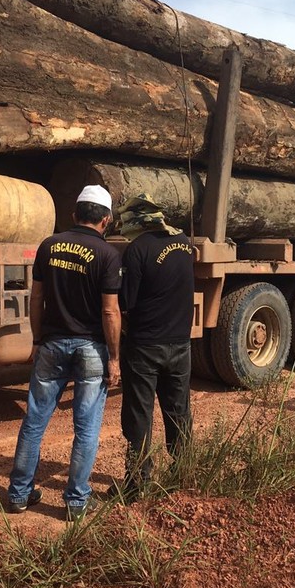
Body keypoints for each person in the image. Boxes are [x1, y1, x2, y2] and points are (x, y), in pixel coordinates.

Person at [6, 184, 122, 520]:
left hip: (52, 345)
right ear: (107, 220)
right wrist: (114, 358)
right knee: (85, 428)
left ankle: (19, 494)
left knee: (34, 421)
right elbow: (110, 312)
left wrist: (37, 340)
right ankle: (75, 503)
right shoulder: (108, 255)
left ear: (74, 214)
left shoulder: (49, 246)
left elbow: (36, 298)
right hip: (90, 348)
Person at [110, 194, 195, 500]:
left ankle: (136, 484)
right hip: (181, 345)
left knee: (139, 415)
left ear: (136, 222)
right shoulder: (184, 244)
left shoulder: (137, 250)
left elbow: (127, 302)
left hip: (146, 346)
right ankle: (184, 473)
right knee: (178, 411)